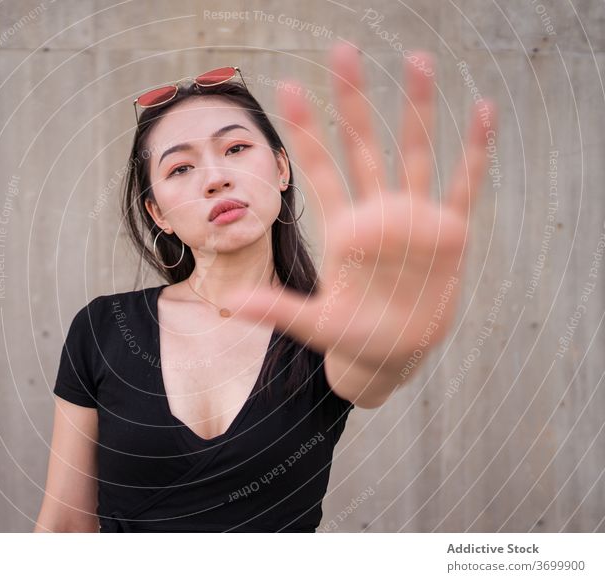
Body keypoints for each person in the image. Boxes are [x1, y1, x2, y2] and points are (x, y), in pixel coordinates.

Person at [34, 42, 496, 533]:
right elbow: (64, 525)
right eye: (180, 168)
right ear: (158, 214)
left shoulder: (329, 327)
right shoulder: (104, 328)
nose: (215, 178)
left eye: (235, 148)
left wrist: (392, 342)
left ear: (280, 169)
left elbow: (367, 367)